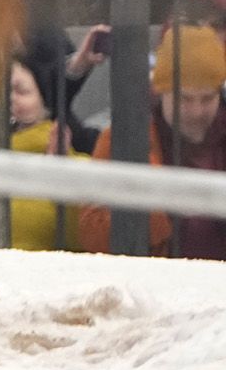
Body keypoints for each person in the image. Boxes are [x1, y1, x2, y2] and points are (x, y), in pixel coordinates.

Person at [79, 24, 226, 260]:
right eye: (184, 98)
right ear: (161, 92)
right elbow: (91, 233)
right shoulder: (124, 140)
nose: (196, 111)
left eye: (207, 98)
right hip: (157, 288)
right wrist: (162, 203)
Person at [6, 56, 85, 252]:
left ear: (45, 103)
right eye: (2, 91)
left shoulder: (76, 164)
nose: (9, 98)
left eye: (21, 91)